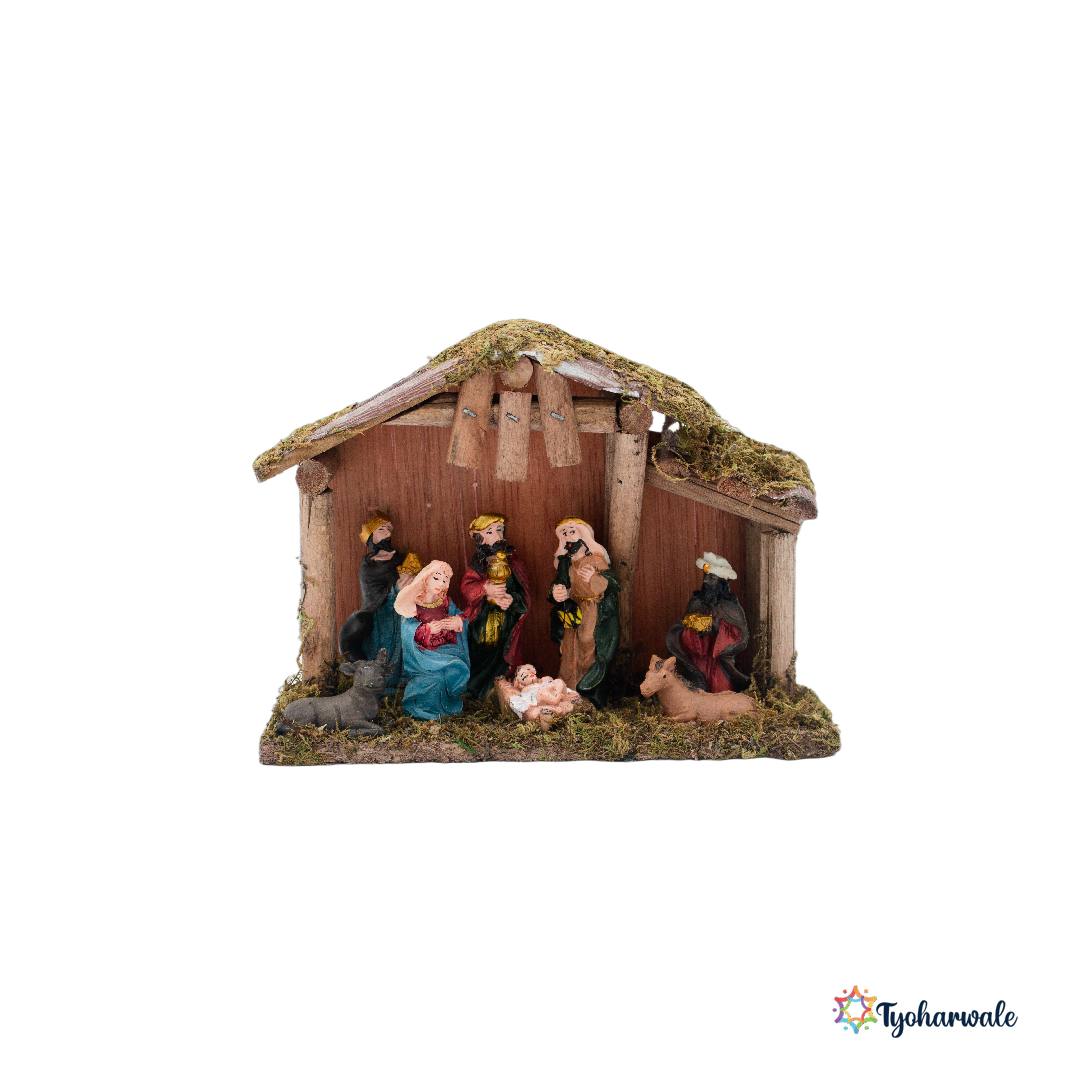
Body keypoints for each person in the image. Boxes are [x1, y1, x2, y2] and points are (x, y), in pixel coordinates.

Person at [337, 512, 418, 693]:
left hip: (402, 612)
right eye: (382, 529)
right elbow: (370, 594)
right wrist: (394, 590)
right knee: (385, 647)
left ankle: (403, 681)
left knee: (404, 644)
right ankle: (386, 686)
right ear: (371, 536)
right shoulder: (368, 567)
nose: (388, 533)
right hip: (380, 615)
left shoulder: (400, 559)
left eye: (389, 529)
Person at [547, 517, 620, 704]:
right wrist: (558, 591)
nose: (569, 537)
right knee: (570, 648)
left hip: (593, 611)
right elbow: (560, 582)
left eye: (573, 531)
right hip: (573, 611)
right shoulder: (566, 563)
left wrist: (595, 578)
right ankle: (569, 691)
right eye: (564, 533)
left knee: (588, 644)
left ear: (584, 536)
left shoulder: (596, 559)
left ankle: (588, 692)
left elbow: (613, 583)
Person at [459, 513, 531, 699]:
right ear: (479, 538)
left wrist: (511, 599)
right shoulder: (479, 564)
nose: (497, 536)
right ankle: (475, 689)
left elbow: (523, 592)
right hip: (482, 623)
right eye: (490, 532)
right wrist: (486, 589)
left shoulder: (513, 563)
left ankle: (498, 688)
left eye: (499, 530)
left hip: (506, 623)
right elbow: (467, 588)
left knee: (503, 657)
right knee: (480, 653)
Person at [394, 560, 471, 720]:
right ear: (425, 579)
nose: (440, 584)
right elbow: (407, 628)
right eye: (436, 578)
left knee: (452, 671)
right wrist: (427, 630)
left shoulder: (445, 602)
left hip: (445, 650)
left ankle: (447, 710)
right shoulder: (413, 605)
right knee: (434, 678)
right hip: (423, 655)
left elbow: (461, 616)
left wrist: (457, 622)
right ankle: (421, 711)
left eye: (445, 580)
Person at [664, 552, 750, 693]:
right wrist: (697, 632)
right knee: (698, 692)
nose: (705, 581)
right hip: (699, 662)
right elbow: (682, 631)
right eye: (705, 576)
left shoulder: (730, 607)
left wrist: (717, 628)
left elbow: (739, 637)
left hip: (720, 665)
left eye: (712, 578)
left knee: (722, 692)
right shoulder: (696, 603)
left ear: (721, 582)